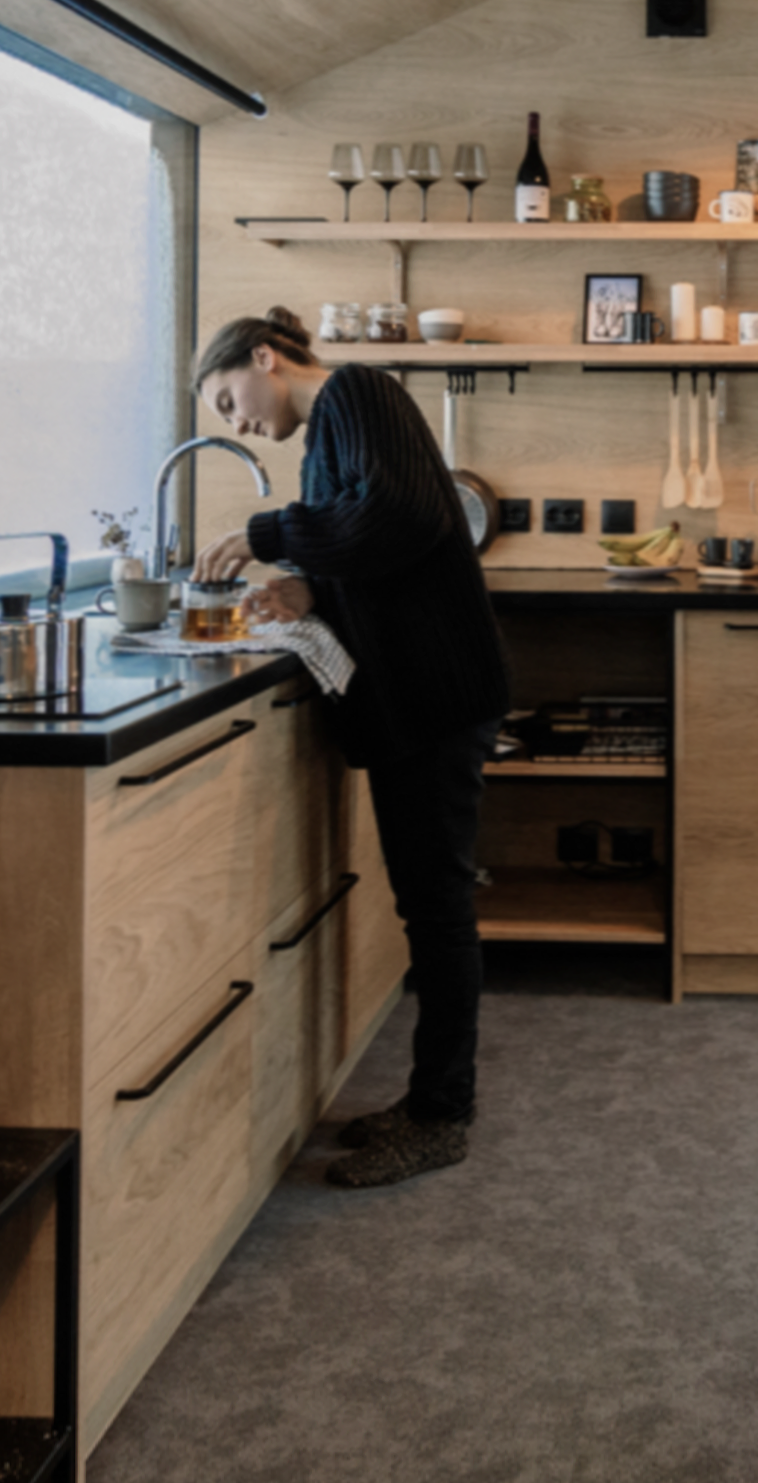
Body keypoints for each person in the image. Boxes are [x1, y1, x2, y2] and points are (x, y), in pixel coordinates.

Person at [190, 306, 509, 1188]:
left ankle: (441, 1116)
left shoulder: (358, 392)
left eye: (229, 401)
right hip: (421, 699)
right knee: (428, 905)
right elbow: (369, 547)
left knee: (437, 908)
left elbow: (397, 518)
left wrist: (264, 536)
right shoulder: (331, 429)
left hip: (436, 698)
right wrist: (306, 590)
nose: (238, 423)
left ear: (265, 357)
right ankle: (431, 1099)